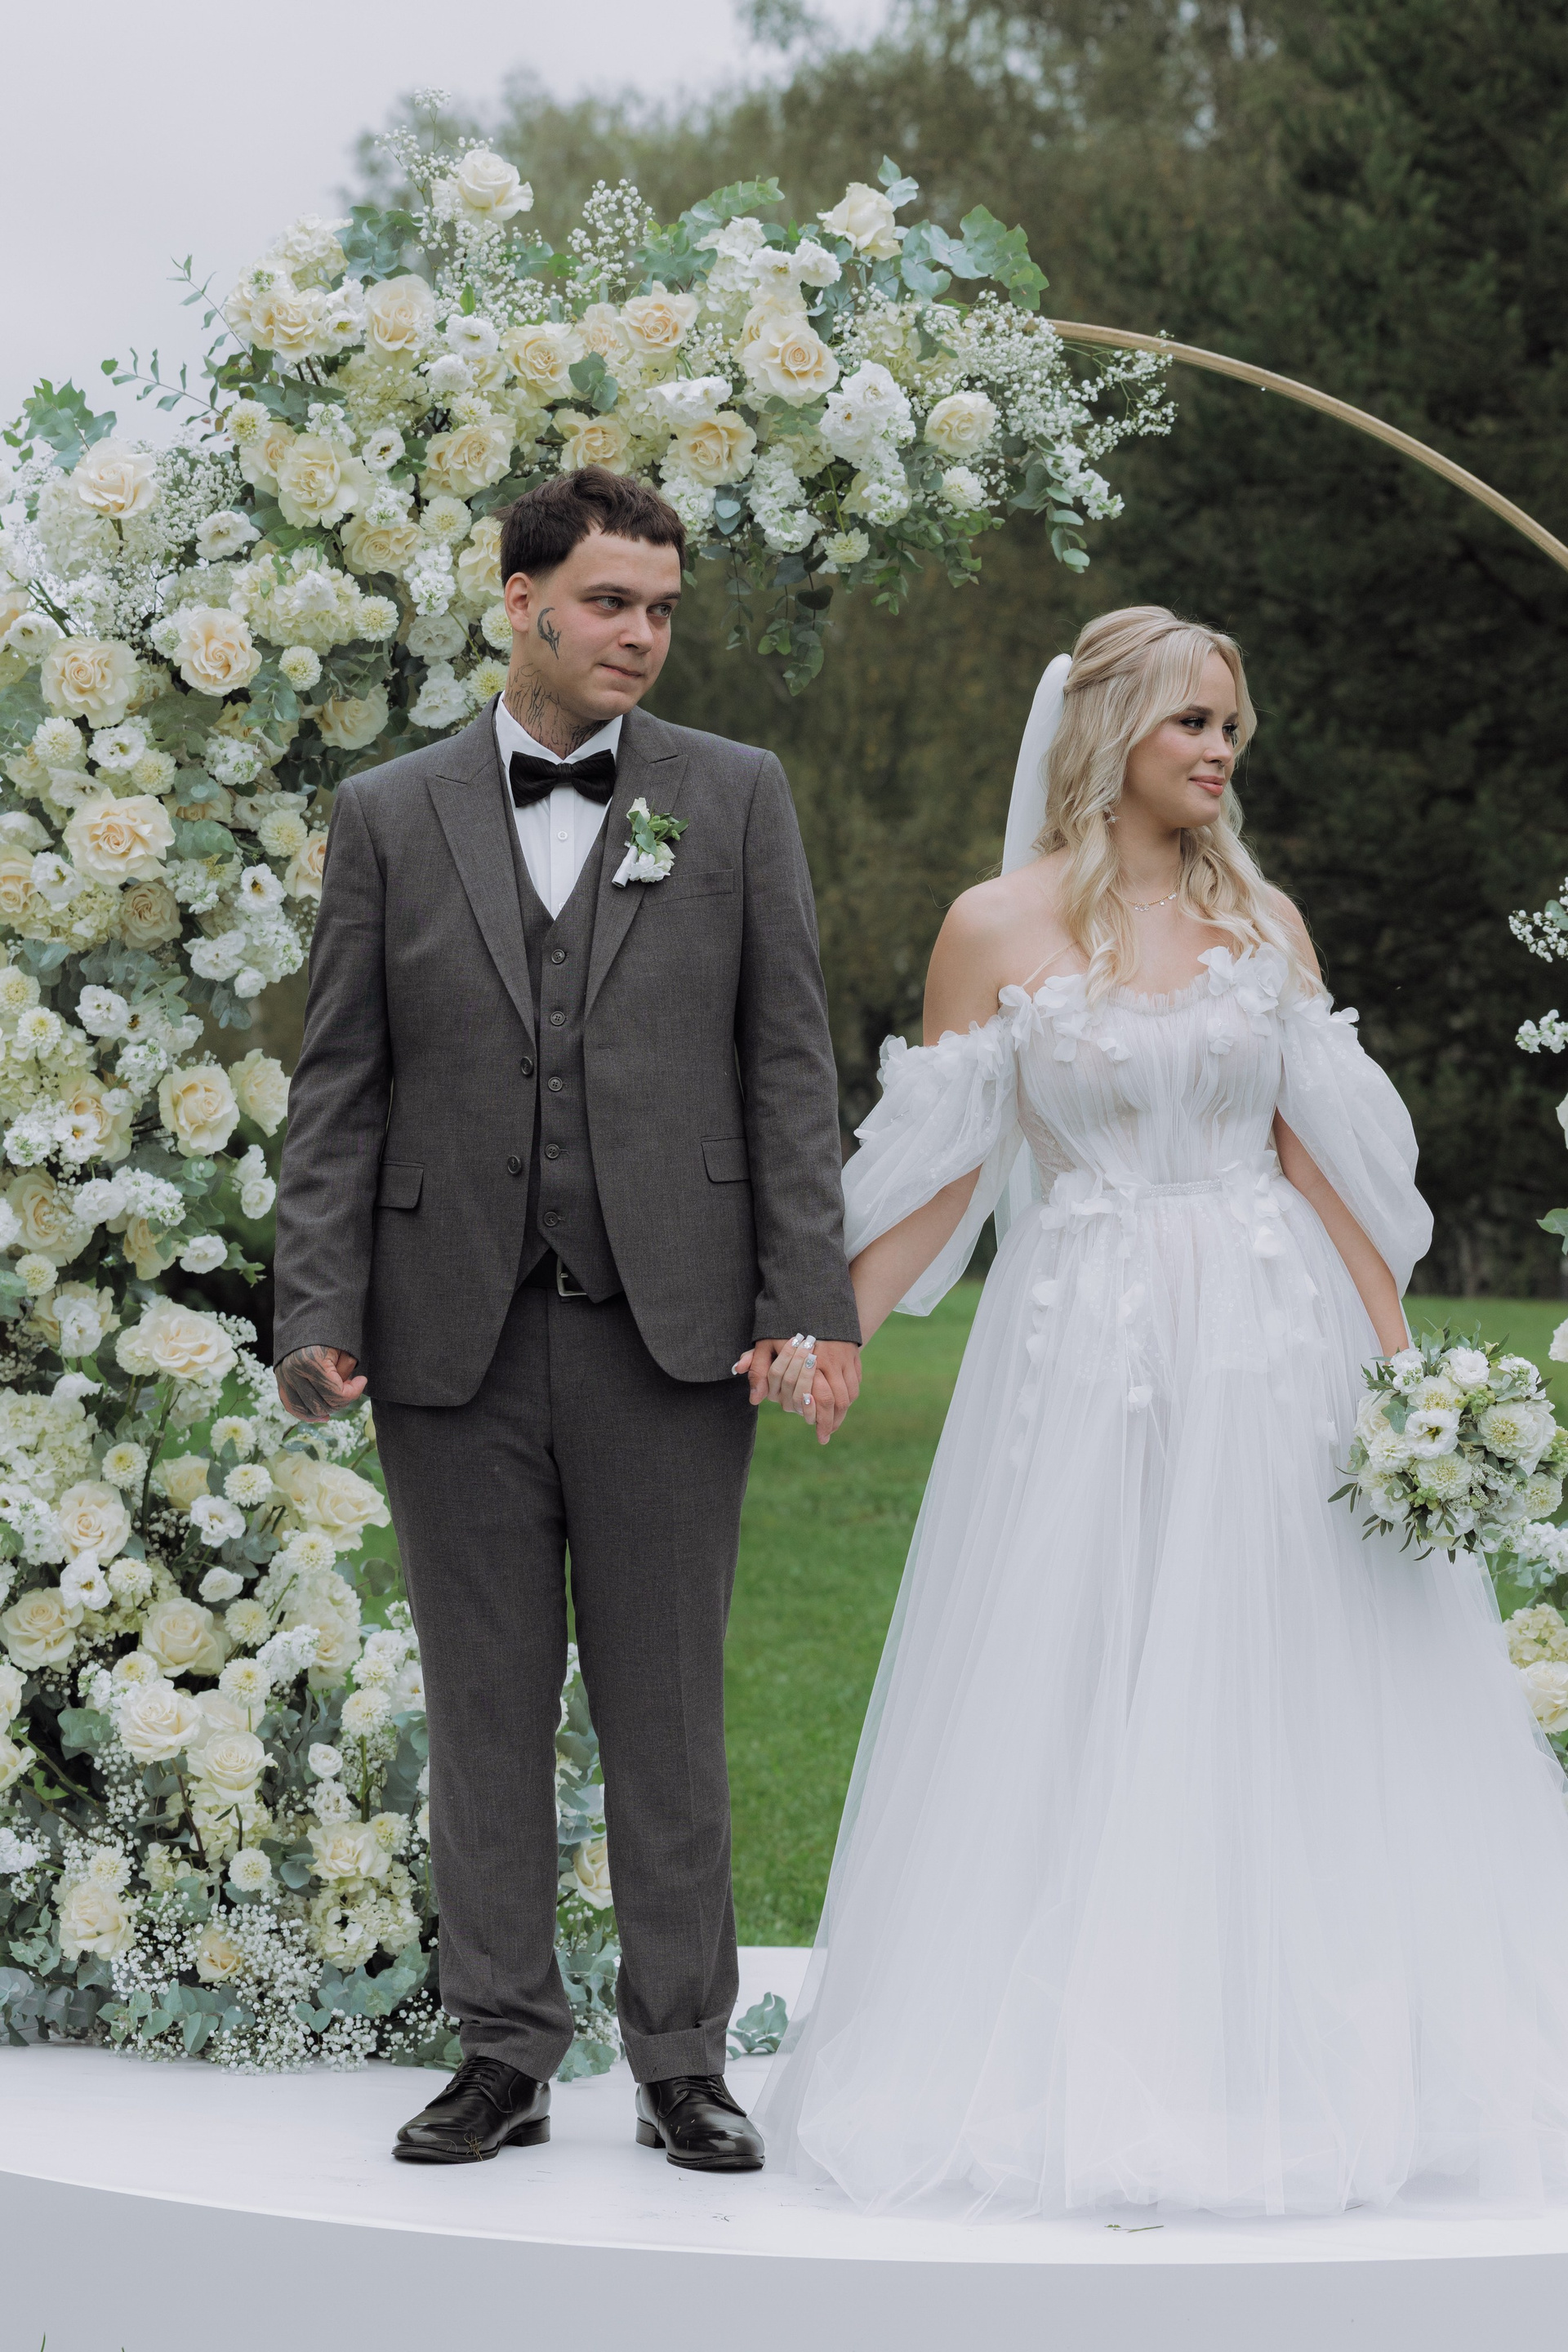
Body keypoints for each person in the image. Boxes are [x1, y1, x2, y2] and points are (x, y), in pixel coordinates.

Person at [752, 605, 1568, 2218]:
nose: (1219, 752)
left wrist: (1406, 1369)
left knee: (1283, 1674)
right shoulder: (993, 926)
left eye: (1230, 730)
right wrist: (826, 1330)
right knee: (1085, 1672)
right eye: (1193, 721)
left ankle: (1305, 2045)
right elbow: (938, 1169)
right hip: (1081, 1344)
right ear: (1111, 726)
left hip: (1272, 1339)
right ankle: (1090, 2053)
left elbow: (1319, 1159)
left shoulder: (1263, 920)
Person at [272, 466, 861, 2172]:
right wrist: (315, 1304)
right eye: (610, 602)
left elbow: (787, 1063)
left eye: (662, 609)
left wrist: (806, 1302)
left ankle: (683, 2061)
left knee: (667, 1708)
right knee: (484, 1710)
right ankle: (504, 2053)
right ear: (519, 598)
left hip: (670, 1330)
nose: (642, 636)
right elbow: (339, 1083)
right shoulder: (391, 812)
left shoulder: (733, 796)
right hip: (442, 1331)